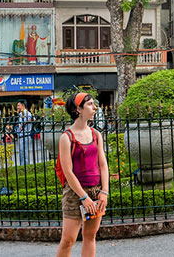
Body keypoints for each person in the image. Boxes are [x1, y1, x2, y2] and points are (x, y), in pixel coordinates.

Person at [57, 92, 109, 257]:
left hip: (96, 192)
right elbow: (68, 172)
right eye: (90, 104)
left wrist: (104, 192)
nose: (94, 108)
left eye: (94, 104)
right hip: (75, 194)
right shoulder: (67, 137)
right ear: (78, 109)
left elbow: (103, 164)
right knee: (68, 240)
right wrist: (83, 197)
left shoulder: (96, 134)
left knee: (90, 236)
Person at [14, 101, 33, 166]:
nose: (17, 107)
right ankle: (22, 166)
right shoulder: (20, 114)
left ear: (23, 106)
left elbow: (32, 119)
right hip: (21, 135)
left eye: (18, 105)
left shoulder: (27, 113)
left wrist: (25, 123)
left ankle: (26, 167)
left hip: (25, 135)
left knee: (25, 152)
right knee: (21, 152)